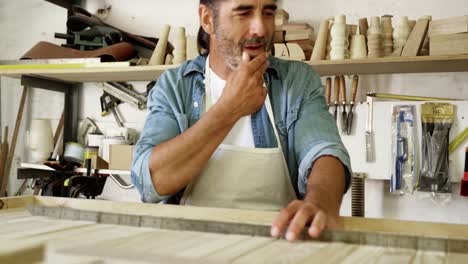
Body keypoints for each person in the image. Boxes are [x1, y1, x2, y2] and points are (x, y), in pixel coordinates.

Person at [131, 0, 352, 242]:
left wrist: (320, 203)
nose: (261, 29)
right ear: (207, 19)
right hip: (190, 248)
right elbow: (150, 181)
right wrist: (228, 109)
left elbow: (324, 152)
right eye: (244, 13)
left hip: (279, 247)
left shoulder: (296, 81)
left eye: (268, 13)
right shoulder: (175, 86)